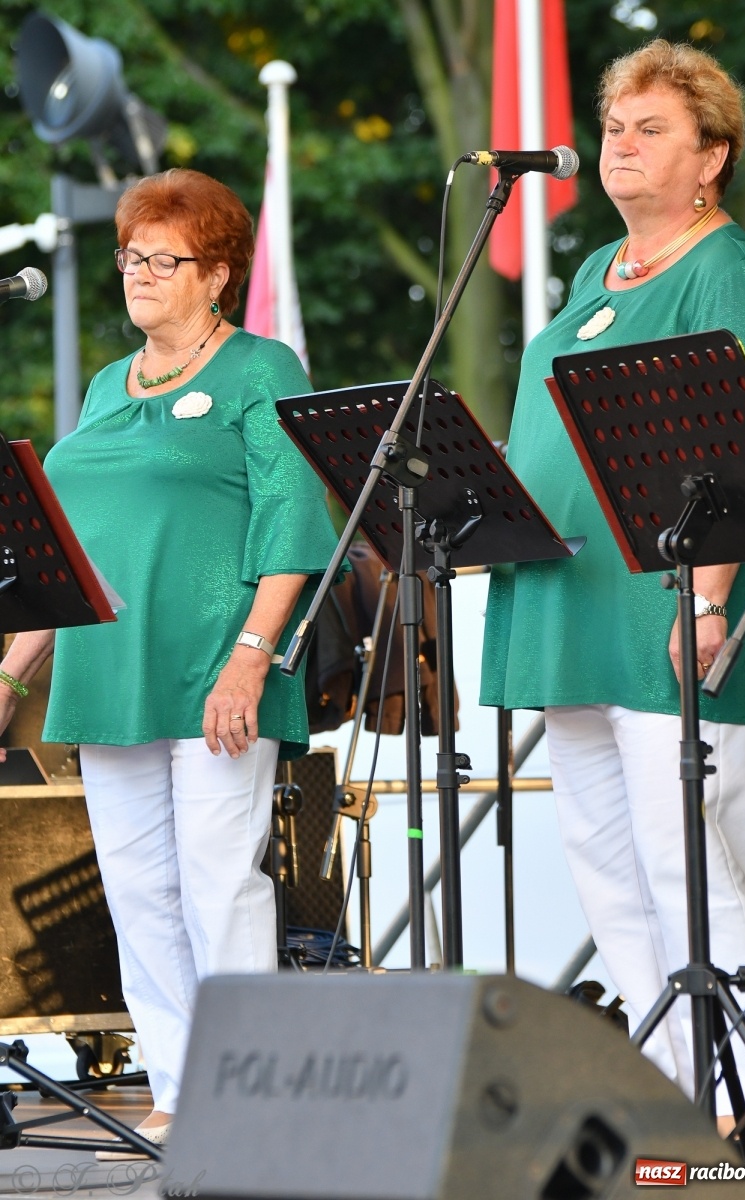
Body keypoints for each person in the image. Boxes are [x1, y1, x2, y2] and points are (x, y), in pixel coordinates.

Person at [480, 40, 745, 1135]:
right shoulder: (587, 275)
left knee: (686, 854)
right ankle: (671, 1093)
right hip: (568, 597)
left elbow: (743, 452)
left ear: (710, 154)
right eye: (614, 126)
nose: (619, 143)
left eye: (649, 128)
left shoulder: (729, 269)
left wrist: (708, 600)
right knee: (603, 864)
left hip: (665, 601)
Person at [0, 169, 340, 1152]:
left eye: (165, 258)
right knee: (139, 887)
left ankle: (246, 1091)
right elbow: (75, 546)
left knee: (217, 881)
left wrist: (249, 659)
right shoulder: (109, 383)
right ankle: (181, 1086)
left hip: (215, 667)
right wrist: (16, 669)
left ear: (218, 274)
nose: (140, 274)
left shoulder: (259, 369)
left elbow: (291, 518)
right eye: (131, 256)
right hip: (110, 669)